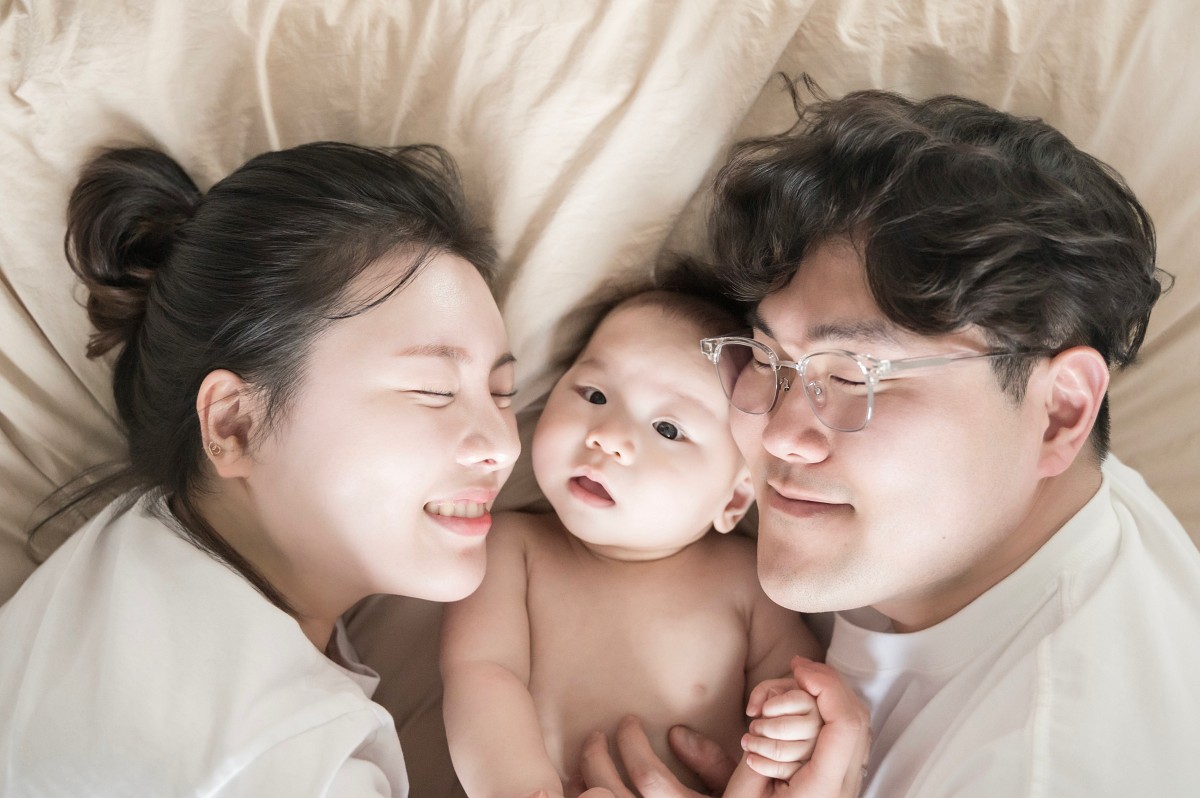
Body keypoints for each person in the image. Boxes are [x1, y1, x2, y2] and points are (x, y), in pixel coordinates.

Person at [579, 87, 1200, 797]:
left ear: (1060, 414)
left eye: (853, 376)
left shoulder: (1040, 764)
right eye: (769, 359)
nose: (779, 433)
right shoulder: (1036, 504)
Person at [0, 141, 525, 795]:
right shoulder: (296, 757)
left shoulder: (113, 561)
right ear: (235, 425)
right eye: (433, 390)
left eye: (503, 394)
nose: (505, 446)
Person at [440, 281, 851, 798]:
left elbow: (797, 684)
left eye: (667, 429)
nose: (607, 436)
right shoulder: (512, 550)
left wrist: (795, 725)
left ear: (733, 499)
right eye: (594, 395)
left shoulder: (748, 581)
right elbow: (481, 677)